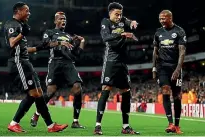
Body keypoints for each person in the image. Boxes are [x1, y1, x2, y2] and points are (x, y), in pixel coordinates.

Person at [4, 2, 68, 133]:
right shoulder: (12, 24)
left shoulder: (20, 25)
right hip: (18, 62)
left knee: (38, 95)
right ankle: (13, 123)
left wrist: (42, 46)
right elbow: (11, 43)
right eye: (26, 11)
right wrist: (22, 34)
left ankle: (51, 126)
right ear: (18, 11)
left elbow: (27, 49)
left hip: (25, 61)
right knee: (33, 94)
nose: (29, 13)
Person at [30, 11, 86, 129]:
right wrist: (60, 42)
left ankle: (75, 121)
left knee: (78, 88)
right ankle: (36, 114)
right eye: (61, 19)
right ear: (55, 21)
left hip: (68, 63)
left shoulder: (69, 37)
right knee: (50, 92)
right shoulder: (49, 32)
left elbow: (77, 55)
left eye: (65, 19)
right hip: (55, 62)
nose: (63, 21)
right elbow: (44, 44)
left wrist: (82, 43)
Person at [94, 2, 140, 135]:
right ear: (110, 13)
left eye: (121, 14)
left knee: (126, 91)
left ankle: (125, 127)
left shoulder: (122, 21)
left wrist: (132, 22)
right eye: (116, 14)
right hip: (111, 61)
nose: (119, 17)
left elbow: (129, 21)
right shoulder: (106, 22)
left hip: (122, 62)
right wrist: (123, 34)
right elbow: (105, 37)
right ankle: (97, 126)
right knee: (106, 89)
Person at [152, 10, 186, 134]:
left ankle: (177, 125)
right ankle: (170, 123)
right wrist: (154, 68)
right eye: (160, 19)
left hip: (175, 67)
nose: (161, 21)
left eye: (164, 18)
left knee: (177, 95)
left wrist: (178, 69)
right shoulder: (158, 32)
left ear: (170, 18)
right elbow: (155, 51)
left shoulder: (179, 31)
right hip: (162, 68)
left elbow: (182, 52)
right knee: (165, 90)